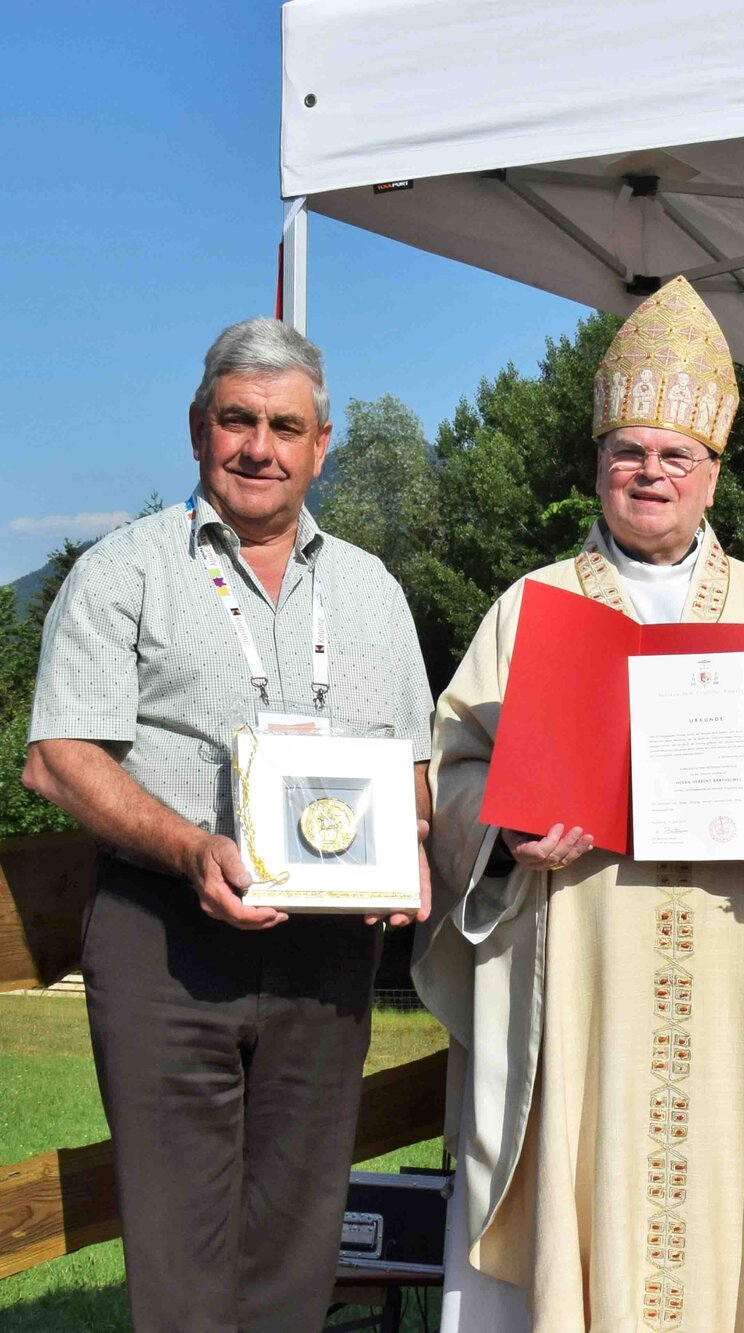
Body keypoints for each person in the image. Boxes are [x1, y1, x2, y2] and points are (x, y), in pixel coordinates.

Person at [417, 277, 744, 1330]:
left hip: (737, 975)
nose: (650, 473)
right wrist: (508, 829)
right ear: (598, 466)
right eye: (629, 451)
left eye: (676, 456)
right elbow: (454, 769)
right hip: (585, 967)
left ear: (713, 474)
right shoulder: (532, 608)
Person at [22, 318, 435, 1331]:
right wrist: (189, 846)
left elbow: (416, 774)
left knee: (298, 1241)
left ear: (321, 444)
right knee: (179, 1246)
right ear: (199, 427)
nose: (261, 447)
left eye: (285, 426)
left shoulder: (371, 590)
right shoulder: (125, 569)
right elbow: (58, 758)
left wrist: (407, 850)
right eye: (238, 420)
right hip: (168, 937)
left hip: (327, 951)